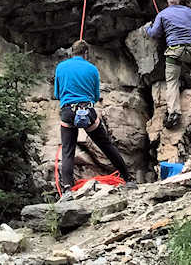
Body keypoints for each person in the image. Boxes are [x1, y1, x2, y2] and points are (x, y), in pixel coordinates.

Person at [53, 39, 133, 193]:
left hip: (68, 111)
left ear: (72, 52)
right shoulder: (92, 69)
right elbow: (96, 96)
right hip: (87, 111)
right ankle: (127, 178)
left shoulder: (61, 67)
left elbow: (57, 94)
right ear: (86, 53)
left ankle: (67, 189)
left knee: (68, 150)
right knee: (105, 145)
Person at [144, 0, 191, 129]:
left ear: (168, 1)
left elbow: (154, 33)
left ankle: (174, 112)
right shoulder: (188, 11)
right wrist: (190, 11)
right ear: (180, 0)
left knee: (172, 82)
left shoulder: (162, 14)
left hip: (174, 52)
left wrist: (148, 28)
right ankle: (190, 78)